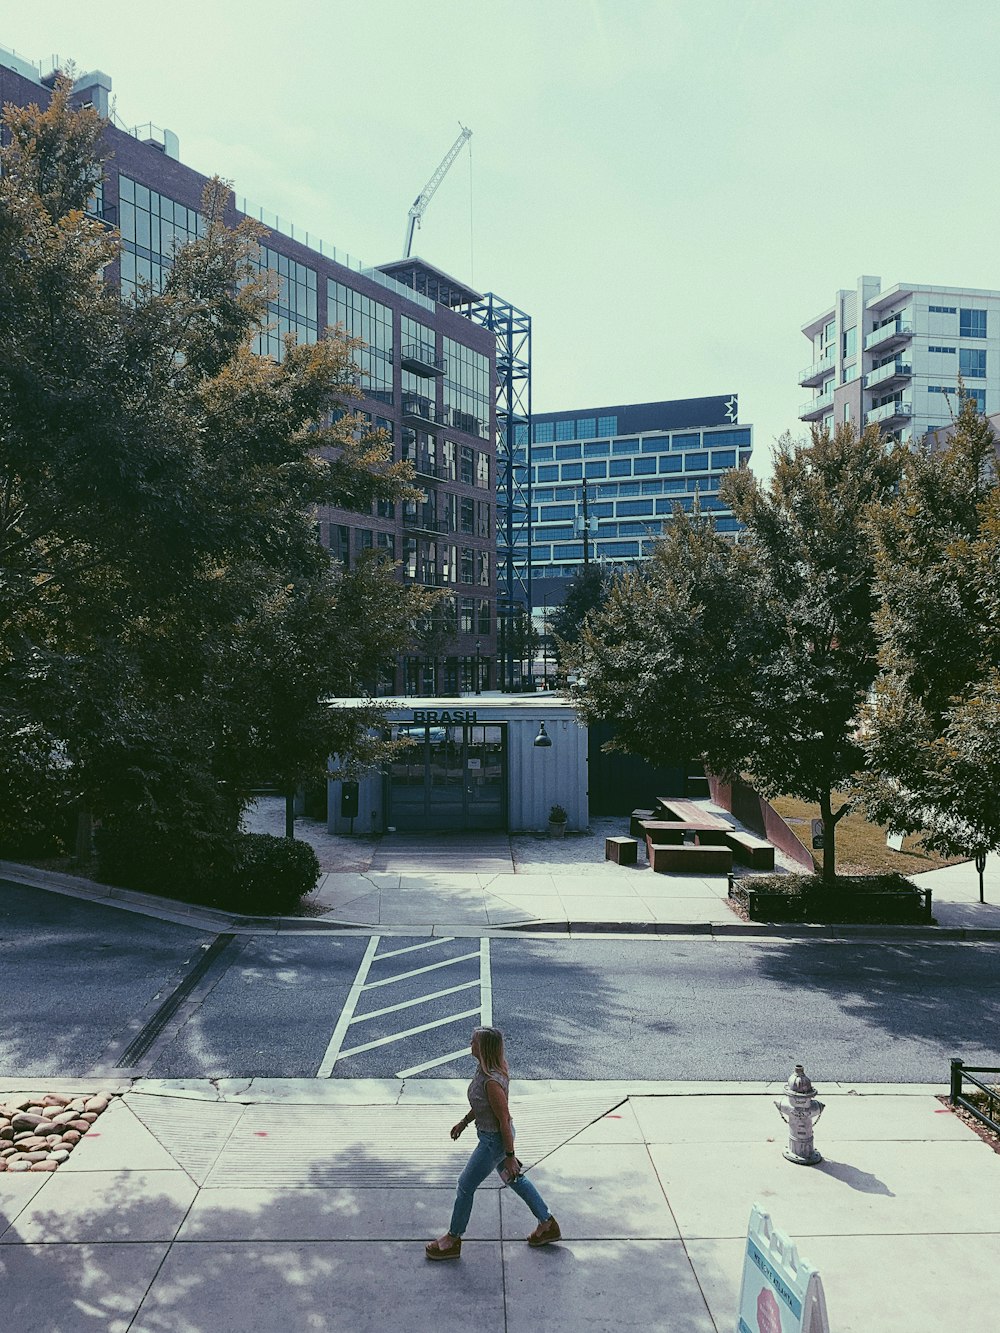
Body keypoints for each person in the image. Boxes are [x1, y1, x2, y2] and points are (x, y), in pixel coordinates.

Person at [425, 1025, 561, 1260]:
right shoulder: (484, 1072)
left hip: (494, 1142)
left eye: (474, 1042)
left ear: (484, 1048)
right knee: (516, 1180)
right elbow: (481, 1105)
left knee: (465, 1185)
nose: (470, 1044)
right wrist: (464, 1122)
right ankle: (547, 1224)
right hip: (493, 1139)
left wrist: (509, 1155)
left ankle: (453, 1239)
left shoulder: (492, 1082)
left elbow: (504, 1120)